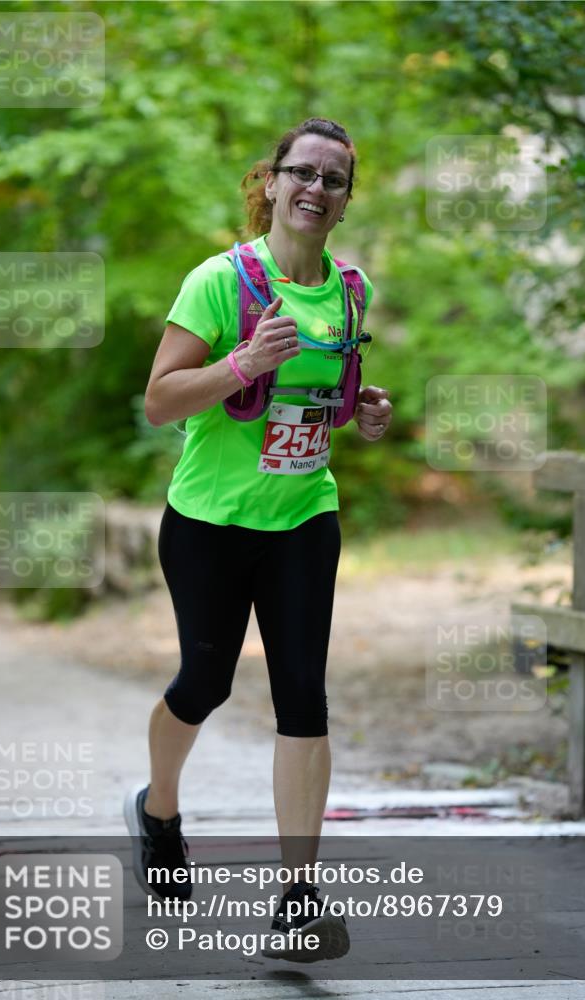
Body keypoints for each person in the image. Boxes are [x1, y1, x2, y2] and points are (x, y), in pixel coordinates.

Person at [124, 117, 393, 962]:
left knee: (302, 697)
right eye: (302, 173)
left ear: (346, 201)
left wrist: (363, 409)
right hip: (208, 522)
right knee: (204, 681)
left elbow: (320, 398)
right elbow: (161, 402)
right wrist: (241, 363)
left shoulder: (351, 291)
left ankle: (298, 898)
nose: (316, 189)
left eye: (333, 180)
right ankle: (159, 808)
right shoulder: (218, 282)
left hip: (304, 517)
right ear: (270, 183)